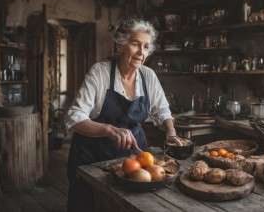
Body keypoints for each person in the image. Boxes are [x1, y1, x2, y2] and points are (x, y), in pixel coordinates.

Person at [65, 19, 182, 212]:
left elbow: (161, 109)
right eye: (135, 44)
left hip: (133, 155)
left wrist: (170, 131)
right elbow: (74, 117)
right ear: (120, 45)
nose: (141, 52)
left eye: (145, 47)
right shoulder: (100, 73)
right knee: (88, 204)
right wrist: (108, 130)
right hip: (92, 156)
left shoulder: (148, 75)